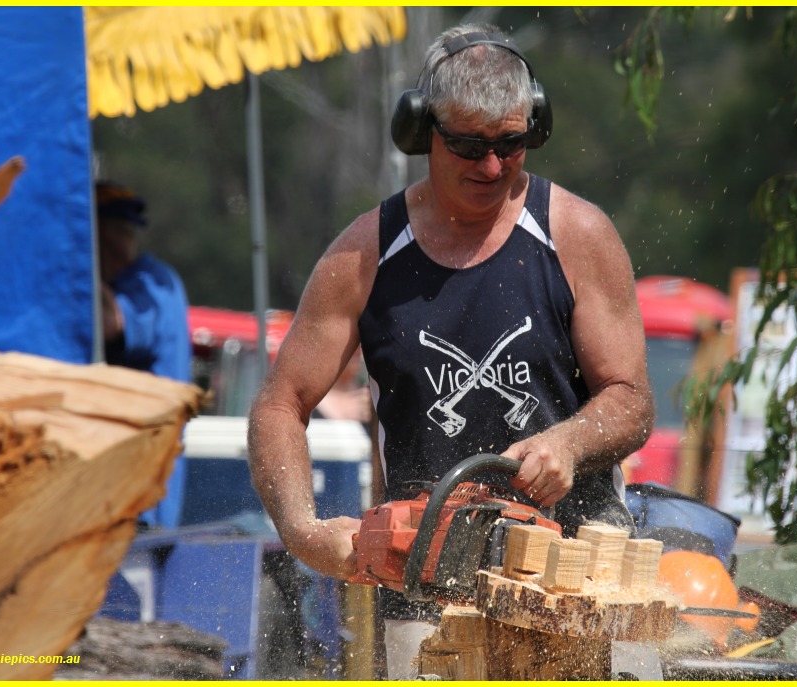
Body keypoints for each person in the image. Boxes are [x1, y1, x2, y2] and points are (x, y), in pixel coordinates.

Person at [247, 23, 653, 679]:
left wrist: (569, 443)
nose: (492, 166)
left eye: (510, 144)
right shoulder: (364, 255)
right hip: (427, 571)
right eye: (469, 145)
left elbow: (631, 400)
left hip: (574, 573)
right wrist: (303, 529)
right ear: (421, 130)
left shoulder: (576, 234)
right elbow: (279, 405)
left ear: (534, 126)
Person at [96, 180, 192, 527]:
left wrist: (75, 272)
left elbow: (110, 323)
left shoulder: (149, 285)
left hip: (136, 504)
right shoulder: (148, 280)